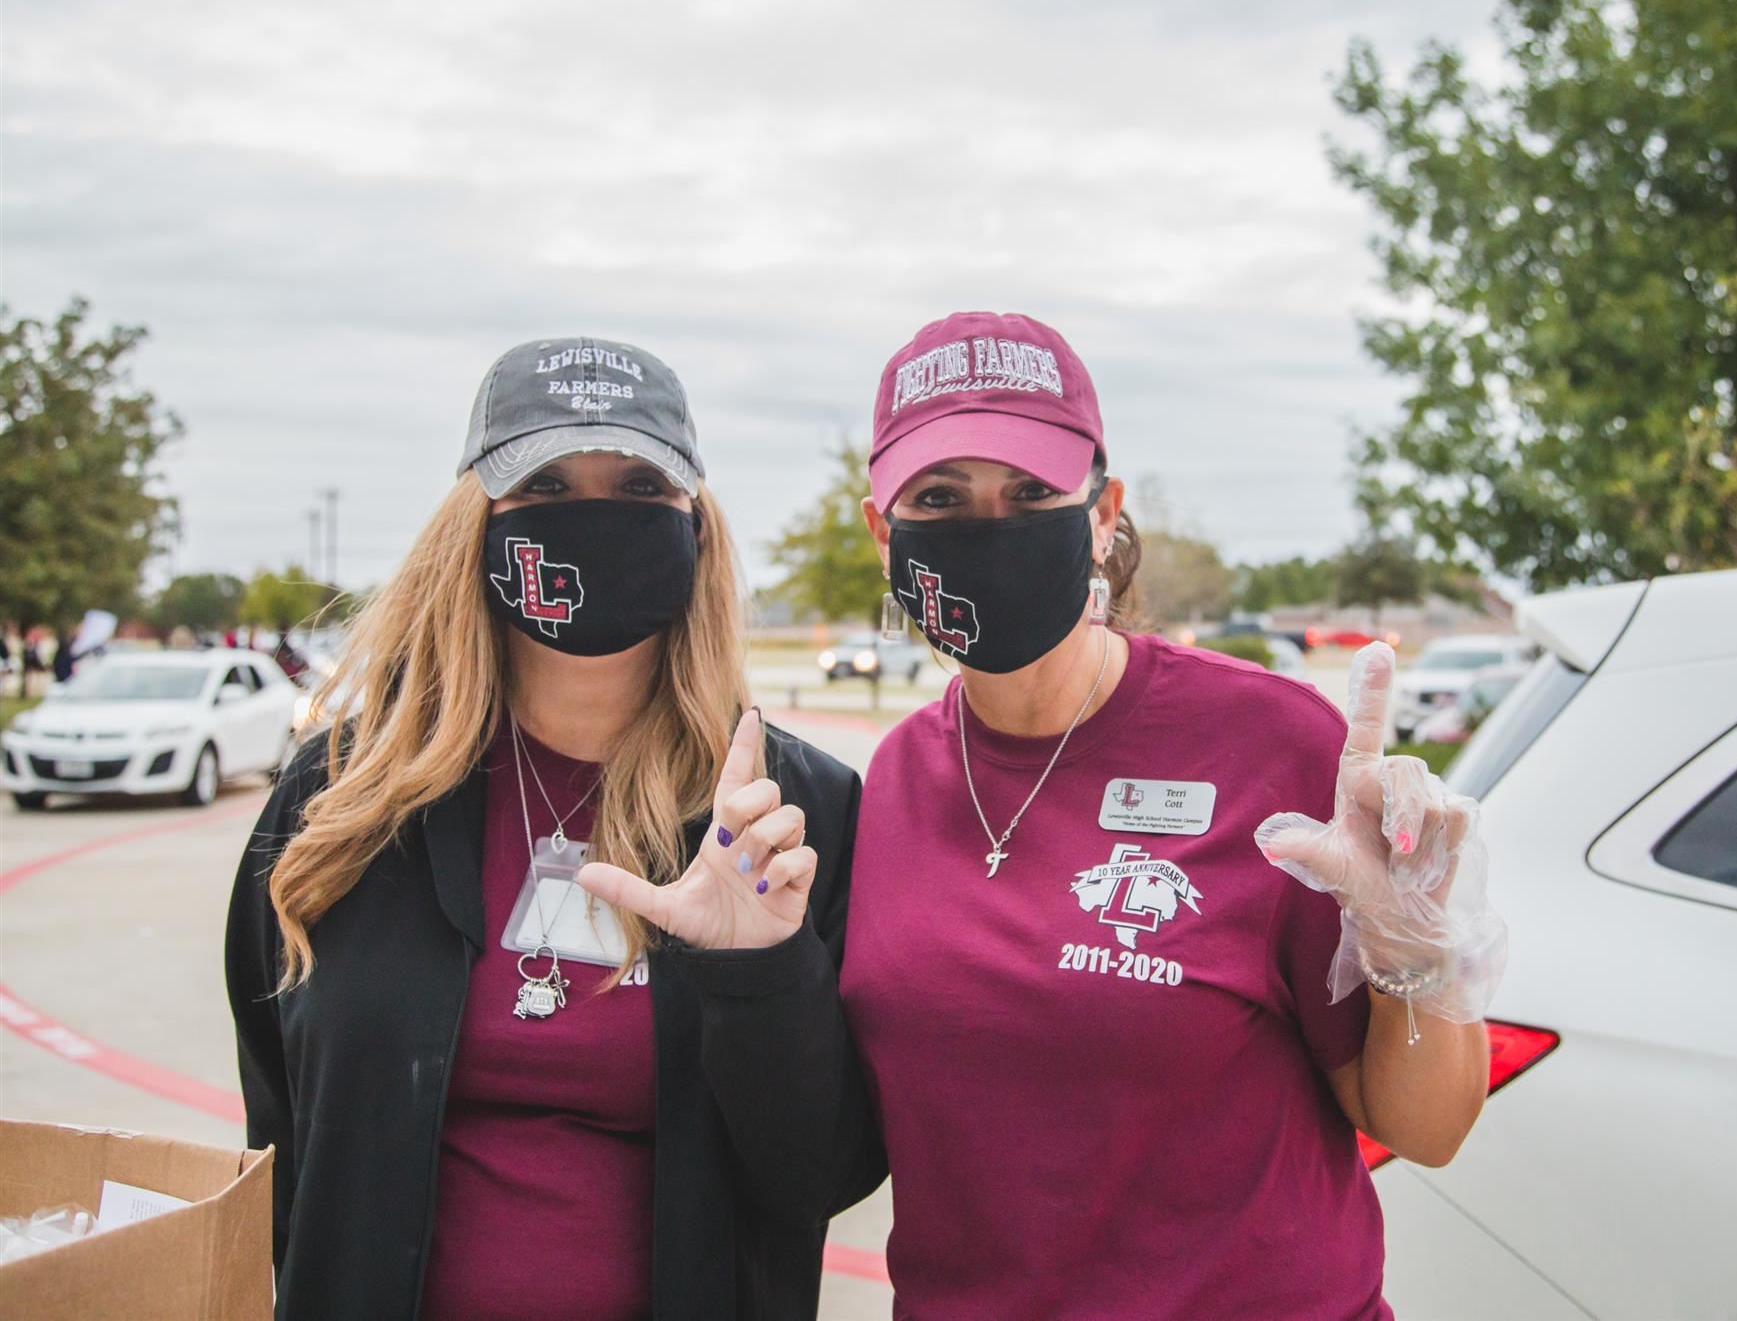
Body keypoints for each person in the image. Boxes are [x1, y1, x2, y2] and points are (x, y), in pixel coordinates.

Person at [829, 313, 1506, 1317]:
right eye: (939, 499)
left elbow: (1425, 1127)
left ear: (1101, 515)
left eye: (1029, 494)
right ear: (885, 532)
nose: (988, 529)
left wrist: (1414, 947)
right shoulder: (884, 785)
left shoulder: (1265, 742)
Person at [225, 337, 880, 1320]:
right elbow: (282, 1131)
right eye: (544, 481)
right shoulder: (340, 798)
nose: (592, 513)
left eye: (634, 483)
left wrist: (758, 977)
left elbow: (818, 1171)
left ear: (694, 528)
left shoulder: (790, 813)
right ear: (474, 527)